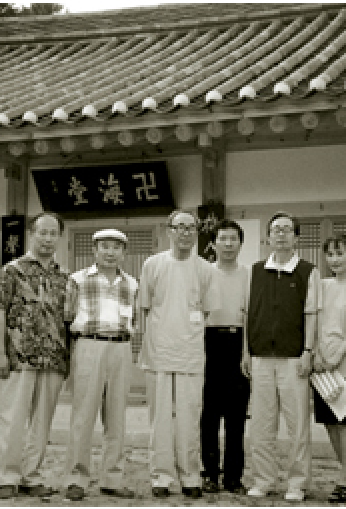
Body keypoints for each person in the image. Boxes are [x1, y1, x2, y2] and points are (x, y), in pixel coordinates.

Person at [0, 212, 73, 500]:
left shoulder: (65, 278)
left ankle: (31, 475)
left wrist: (68, 360)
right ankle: (8, 476)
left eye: (53, 233)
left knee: (42, 421)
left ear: (59, 237)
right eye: (43, 232)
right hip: (18, 357)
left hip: (53, 359)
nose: (48, 238)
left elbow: (68, 321)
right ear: (32, 234)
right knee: (12, 418)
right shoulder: (12, 271)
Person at [138, 209, 220, 499]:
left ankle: (190, 475)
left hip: (190, 353)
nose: (185, 232)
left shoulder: (206, 269)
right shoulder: (153, 264)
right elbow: (144, 308)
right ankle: (161, 476)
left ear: (197, 232)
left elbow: (207, 310)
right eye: (179, 227)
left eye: (191, 227)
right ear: (168, 230)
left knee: (189, 416)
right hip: (159, 351)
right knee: (159, 418)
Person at [246, 211, 321, 502]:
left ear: (296, 237)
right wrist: (246, 353)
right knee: (262, 423)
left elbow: (312, 315)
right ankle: (263, 480)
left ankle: (297, 483)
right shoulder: (254, 271)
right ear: (268, 235)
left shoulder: (307, 271)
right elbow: (246, 315)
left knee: (297, 424)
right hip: (261, 356)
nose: (281, 234)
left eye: (287, 229)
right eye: (276, 229)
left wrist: (308, 351)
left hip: (293, 359)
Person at [62, 228, 139, 502]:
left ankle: (112, 478)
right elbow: (67, 315)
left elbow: (136, 322)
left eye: (116, 247)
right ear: (94, 250)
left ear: (124, 253)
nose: (110, 252)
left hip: (120, 347)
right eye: (104, 246)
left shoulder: (132, 284)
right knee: (83, 415)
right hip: (88, 345)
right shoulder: (77, 280)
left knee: (116, 417)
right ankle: (76, 478)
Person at [199, 219, 251, 495]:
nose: (228, 244)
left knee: (236, 416)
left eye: (233, 239)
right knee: (208, 414)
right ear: (213, 243)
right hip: (208, 343)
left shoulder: (249, 274)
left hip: (238, 343)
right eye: (223, 238)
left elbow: (251, 316)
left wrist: (247, 353)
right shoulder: (204, 273)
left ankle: (233, 477)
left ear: (241, 243)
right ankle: (209, 473)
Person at [311, 234, 346, 502]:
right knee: (330, 423)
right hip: (322, 364)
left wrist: (338, 356)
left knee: (344, 421)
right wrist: (318, 355)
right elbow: (314, 322)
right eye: (330, 254)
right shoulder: (321, 285)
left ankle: (345, 477)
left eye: (340, 253)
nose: (335, 259)